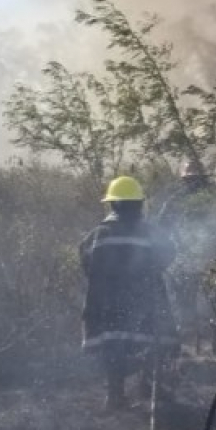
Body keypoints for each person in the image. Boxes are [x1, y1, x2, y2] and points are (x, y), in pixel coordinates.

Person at [79, 176, 177, 410]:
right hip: (145, 300)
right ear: (139, 204)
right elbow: (168, 254)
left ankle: (115, 395)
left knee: (113, 346)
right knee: (151, 339)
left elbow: (85, 260)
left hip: (107, 303)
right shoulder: (150, 233)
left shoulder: (98, 235)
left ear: (112, 204)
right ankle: (149, 386)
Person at [156, 159, 216, 352]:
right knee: (188, 305)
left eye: (196, 180)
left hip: (202, 261)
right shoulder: (177, 201)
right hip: (188, 261)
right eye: (190, 180)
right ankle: (192, 345)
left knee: (204, 305)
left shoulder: (211, 200)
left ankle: (206, 343)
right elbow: (162, 229)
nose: (193, 184)